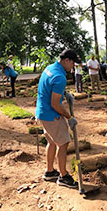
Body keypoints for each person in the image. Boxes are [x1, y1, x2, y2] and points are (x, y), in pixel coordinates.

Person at [35, 49, 79, 188]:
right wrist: (69, 117)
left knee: (52, 142)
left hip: (41, 112)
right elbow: (55, 104)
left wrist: (64, 93)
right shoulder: (60, 77)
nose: (73, 67)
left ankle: (49, 172)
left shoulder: (50, 68)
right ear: (67, 60)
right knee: (63, 143)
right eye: (73, 64)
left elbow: (49, 87)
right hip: (51, 115)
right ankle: (63, 176)